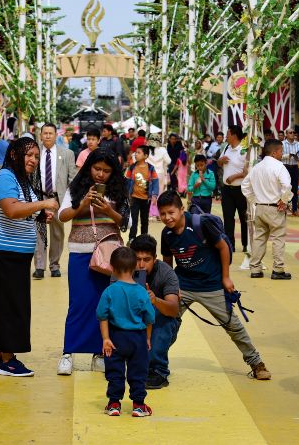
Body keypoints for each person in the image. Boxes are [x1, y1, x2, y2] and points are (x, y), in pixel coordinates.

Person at [157, 190, 272, 380]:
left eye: (171, 212)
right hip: (183, 285)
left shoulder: (200, 224)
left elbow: (223, 247)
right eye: (162, 214)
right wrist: (170, 287)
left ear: (181, 209)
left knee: (233, 325)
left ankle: (256, 363)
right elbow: (167, 261)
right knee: (166, 323)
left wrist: (226, 277)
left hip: (211, 285)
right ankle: (155, 362)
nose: (167, 218)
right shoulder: (166, 234)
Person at [0, 137, 59, 377]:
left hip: (13, 253)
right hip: (1, 252)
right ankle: (8, 358)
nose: (34, 160)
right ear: (14, 155)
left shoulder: (20, 180)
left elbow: (21, 209)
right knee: (9, 305)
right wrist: (43, 203)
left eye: (36, 156)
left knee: (7, 303)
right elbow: (12, 210)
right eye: (29, 155)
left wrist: (38, 213)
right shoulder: (5, 177)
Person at [57, 149, 130, 376]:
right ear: (89, 166)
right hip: (80, 251)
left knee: (104, 304)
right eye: (97, 169)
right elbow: (62, 215)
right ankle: (68, 352)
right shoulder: (76, 188)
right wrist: (83, 203)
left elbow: (127, 221)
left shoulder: (119, 190)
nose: (100, 174)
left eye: (106, 171)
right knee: (78, 303)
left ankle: (100, 352)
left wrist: (108, 209)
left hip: (109, 253)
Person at [97, 246, 155, 417]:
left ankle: (114, 403)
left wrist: (106, 338)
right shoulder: (142, 292)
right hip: (138, 338)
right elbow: (149, 318)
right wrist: (148, 338)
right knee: (138, 371)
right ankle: (138, 405)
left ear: (113, 268)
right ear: (136, 267)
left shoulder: (109, 291)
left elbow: (102, 316)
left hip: (116, 336)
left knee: (115, 371)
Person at [129, 235, 180, 389]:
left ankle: (159, 371)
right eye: (137, 259)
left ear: (155, 259)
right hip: (133, 321)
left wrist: (155, 300)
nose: (141, 265)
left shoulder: (166, 273)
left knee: (159, 314)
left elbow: (173, 310)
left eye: (147, 259)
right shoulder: (123, 270)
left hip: (161, 324)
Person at [241, 139, 293, 280]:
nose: (282, 154)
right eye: (281, 151)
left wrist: (254, 200)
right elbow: (287, 186)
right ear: (275, 152)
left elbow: (245, 186)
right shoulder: (279, 166)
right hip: (275, 207)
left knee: (259, 238)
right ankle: (278, 269)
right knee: (278, 238)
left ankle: (255, 269)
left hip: (260, 207)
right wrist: (284, 200)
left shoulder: (257, 167)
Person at [31, 122, 78, 279]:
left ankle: (55, 265)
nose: (48, 136)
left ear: (56, 135)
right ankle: (39, 266)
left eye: (51, 133)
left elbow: (72, 178)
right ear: (41, 135)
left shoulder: (67, 154)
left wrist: (72, 200)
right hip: (39, 197)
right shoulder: (34, 153)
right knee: (39, 231)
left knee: (57, 233)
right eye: (45, 133)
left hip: (59, 198)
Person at [217, 125, 249, 253]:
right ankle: (230, 244)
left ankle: (246, 243)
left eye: (227, 134)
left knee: (244, 217)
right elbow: (219, 163)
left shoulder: (244, 150)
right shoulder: (226, 148)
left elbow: (249, 171)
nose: (226, 137)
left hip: (241, 189)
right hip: (227, 189)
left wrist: (235, 176)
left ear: (234, 135)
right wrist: (221, 160)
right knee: (228, 217)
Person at [125, 145, 159, 243]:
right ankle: (132, 238)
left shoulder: (151, 168)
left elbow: (155, 181)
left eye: (139, 152)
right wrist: (126, 195)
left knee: (144, 220)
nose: (136, 154)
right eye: (135, 152)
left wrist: (154, 195)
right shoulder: (132, 167)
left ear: (145, 155)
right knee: (133, 220)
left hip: (146, 199)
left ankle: (144, 239)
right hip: (134, 198)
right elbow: (127, 181)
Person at [282, 127, 299, 217]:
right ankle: (283, 209)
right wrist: (289, 155)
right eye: (290, 132)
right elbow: (279, 156)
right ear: (286, 134)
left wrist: (297, 157)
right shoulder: (282, 144)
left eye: (293, 132)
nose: (292, 134)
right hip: (285, 167)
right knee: (284, 188)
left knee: (294, 188)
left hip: (295, 167)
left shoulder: (298, 144)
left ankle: (294, 210)